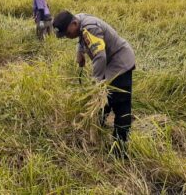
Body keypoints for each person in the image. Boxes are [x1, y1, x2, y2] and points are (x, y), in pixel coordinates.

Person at [53, 10, 136, 157]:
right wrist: (80, 52)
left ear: (73, 24)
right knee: (103, 103)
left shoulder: (90, 27)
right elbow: (81, 35)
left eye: (67, 33)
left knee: (120, 105)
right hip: (111, 64)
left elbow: (100, 57)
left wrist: (96, 84)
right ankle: (97, 135)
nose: (67, 37)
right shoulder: (78, 20)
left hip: (120, 64)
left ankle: (119, 148)